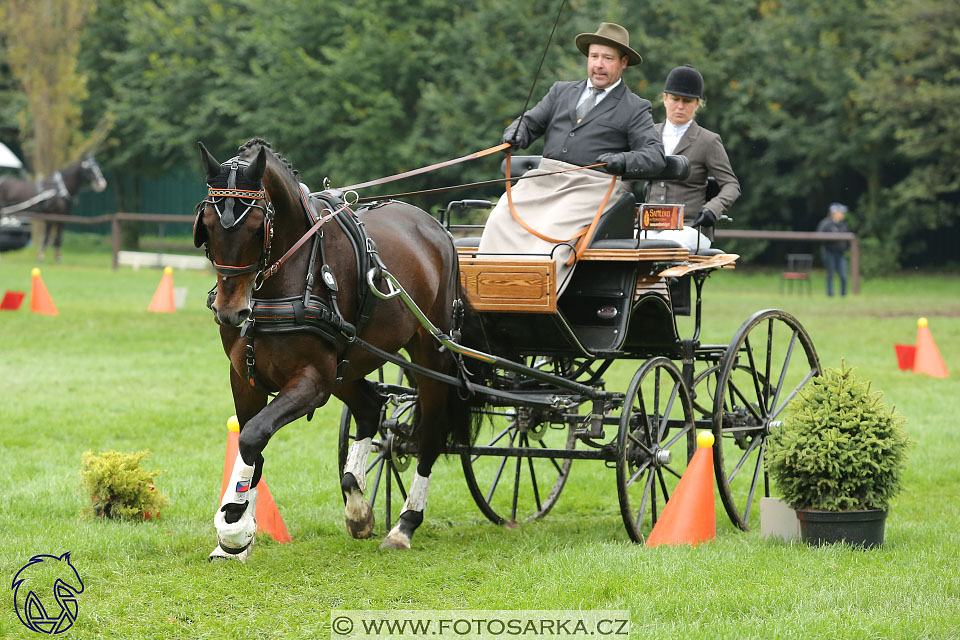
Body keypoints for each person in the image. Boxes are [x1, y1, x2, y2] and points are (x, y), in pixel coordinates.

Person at [477, 22, 665, 293]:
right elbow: (530, 122)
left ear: (623, 63)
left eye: (608, 58)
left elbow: (654, 156)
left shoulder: (634, 107)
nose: (599, 65)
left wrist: (622, 161)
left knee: (552, 229)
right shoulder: (561, 91)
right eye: (594, 57)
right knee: (501, 216)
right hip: (545, 179)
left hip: (593, 185)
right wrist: (516, 132)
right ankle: (487, 294)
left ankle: (530, 296)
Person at [644, 65, 740, 252]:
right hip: (650, 225)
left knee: (663, 246)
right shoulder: (649, 135)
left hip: (691, 227)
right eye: (675, 99)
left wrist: (713, 208)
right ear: (664, 99)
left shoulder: (708, 141)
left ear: (698, 104)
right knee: (626, 246)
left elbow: (731, 185)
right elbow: (627, 180)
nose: (680, 106)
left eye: (687, 101)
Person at [817, 202, 850, 296]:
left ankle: (843, 295)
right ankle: (830, 294)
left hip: (841, 253)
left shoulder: (844, 224)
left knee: (843, 275)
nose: (843, 214)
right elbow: (819, 236)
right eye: (841, 212)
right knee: (830, 274)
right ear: (834, 213)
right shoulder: (825, 223)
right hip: (829, 252)